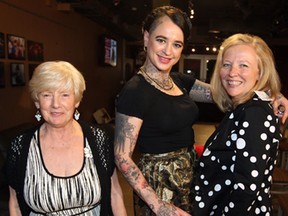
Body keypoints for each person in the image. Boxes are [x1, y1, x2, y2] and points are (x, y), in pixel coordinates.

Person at [114, 5, 288, 216]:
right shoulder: (135, 90)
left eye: (176, 44)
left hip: (191, 179)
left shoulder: (179, 82)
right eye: (161, 40)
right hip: (160, 187)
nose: (168, 51)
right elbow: (122, 156)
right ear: (146, 37)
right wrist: (158, 204)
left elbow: (226, 89)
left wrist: (271, 93)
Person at [6, 61, 127, 216]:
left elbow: (115, 194)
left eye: (64, 95)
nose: (55, 104)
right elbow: (15, 205)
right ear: (37, 101)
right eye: (47, 95)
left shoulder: (98, 139)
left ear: (76, 100)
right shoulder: (20, 146)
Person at [192, 33, 282, 215]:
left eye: (244, 65)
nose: (232, 73)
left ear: (260, 72)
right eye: (227, 64)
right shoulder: (243, 108)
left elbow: (247, 188)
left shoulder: (253, 113)